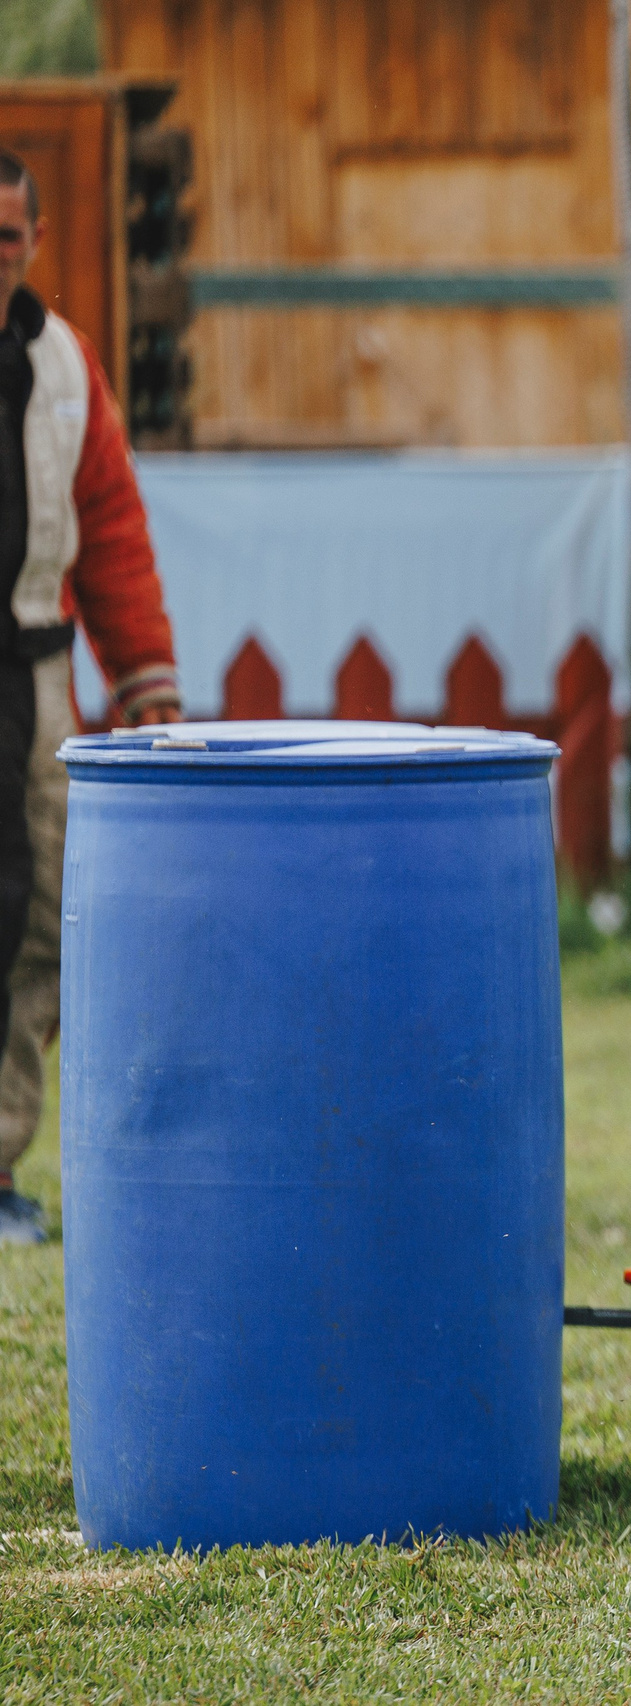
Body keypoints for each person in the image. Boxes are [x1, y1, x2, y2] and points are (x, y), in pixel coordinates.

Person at [0, 148, 183, 1245]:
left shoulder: (68, 367)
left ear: (36, 240)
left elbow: (109, 530)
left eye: (7, 239)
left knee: (41, 918)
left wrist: (148, 679)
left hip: (31, 672)